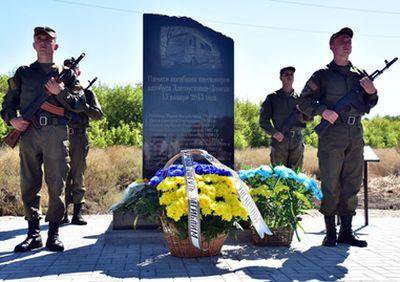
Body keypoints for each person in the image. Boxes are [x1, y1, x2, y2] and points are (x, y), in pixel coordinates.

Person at [1, 26, 86, 252]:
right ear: (33, 44)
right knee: (29, 182)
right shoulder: (24, 73)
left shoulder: (66, 75)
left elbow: (79, 106)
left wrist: (60, 92)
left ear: (55, 46)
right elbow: (8, 101)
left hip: (56, 135)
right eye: (39, 39)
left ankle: (54, 233)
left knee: (56, 183)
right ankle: (33, 233)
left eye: (48, 40)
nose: (43, 43)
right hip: (29, 134)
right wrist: (12, 121)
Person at [298, 27, 378, 248]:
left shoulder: (359, 74)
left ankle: (346, 232)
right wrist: (322, 110)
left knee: (352, 181)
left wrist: (372, 92)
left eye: (349, 40)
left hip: (355, 133)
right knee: (331, 181)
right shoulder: (321, 75)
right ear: (332, 46)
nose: (347, 43)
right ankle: (330, 233)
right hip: (332, 134)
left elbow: (370, 103)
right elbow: (303, 102)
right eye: (342, 40)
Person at [61, 61, 103, 225]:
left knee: (78, 174)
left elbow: (98, 115)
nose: (71, 71)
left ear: (78, 72)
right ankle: (61, 213)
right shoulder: (60, 92)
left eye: (74, 68)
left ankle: (77, 213)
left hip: (79, 136)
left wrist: (83, 105)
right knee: (61, 175)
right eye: (68, 69)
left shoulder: (87, 92)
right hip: (61, 136)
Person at [259, 66, 307, 170]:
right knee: (279, 175)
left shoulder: (301, 98)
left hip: (297, 140)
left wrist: (304, 113)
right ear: (281, 78)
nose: (289, 76)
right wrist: (274, 133)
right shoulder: (272, 98)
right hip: (280, 140)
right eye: (286, 74)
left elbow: (308, 118)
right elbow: (263, 121)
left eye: (291, 75)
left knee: (296, 176)